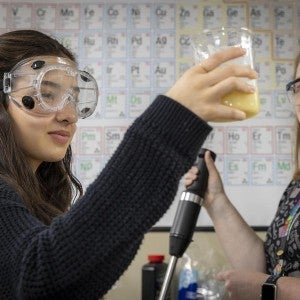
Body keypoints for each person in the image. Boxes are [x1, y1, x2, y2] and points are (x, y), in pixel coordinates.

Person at [0, 29, 257, 299]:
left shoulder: (34, 198)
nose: (68, 114)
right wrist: (172, 119)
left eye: (73, 99)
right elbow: (37, 279)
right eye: (46, 94)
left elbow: (79, 281)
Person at [184, 54, 300, 300]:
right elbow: (266, 267)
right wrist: (215, 200)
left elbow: (267, 281)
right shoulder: (297, 186)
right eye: (299, 86)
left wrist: (271, 289)